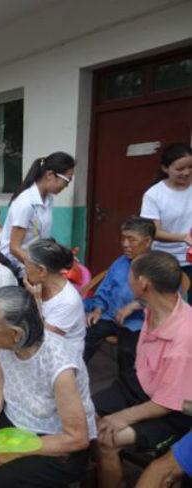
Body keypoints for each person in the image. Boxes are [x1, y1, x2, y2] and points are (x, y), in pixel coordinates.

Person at [0, 286, 96, 487]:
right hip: (15, 425)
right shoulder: (0, 341)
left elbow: (77, 438)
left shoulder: (60, 365)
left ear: (15, 334)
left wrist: (19, 451)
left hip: (56, 439)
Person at [93, 251, 192, 488]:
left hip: (173, 409)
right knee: (86, 416)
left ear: (144, 283)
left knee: (108, 439)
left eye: (131, 275)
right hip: (140, 383)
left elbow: (168, 402)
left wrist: (122, 417)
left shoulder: (183, 338)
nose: (127, 280)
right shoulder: (154, 306)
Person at [83, 217, 154, 372]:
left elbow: (166, 298)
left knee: (127, 352)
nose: (125, 244)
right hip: (111, 316)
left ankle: (132, 394)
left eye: (131, 239)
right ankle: (72, 378)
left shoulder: (157, 266)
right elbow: (105, 289)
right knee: (85, 336)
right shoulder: (120, 262)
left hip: (137, 322)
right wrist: (98, 309)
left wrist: (137, 305)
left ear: (147, 241)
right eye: (123, 238)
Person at [0, 152, 75, 273]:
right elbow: (14, 248)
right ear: (50, 174)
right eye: (67, 180)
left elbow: (40, 236)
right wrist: (39, 269)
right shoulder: (26, 203)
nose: (66, 186)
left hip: (32, 261)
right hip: (15, 267)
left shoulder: (48, 199)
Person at [140, 143, 192, 301]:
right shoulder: (154, 195)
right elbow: (153, 232)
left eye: (190, 167)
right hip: (166, 260)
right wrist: (183, 238)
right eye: (180, 168)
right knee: (168, 304)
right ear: (165, 168)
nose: (187, 172)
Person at [23, 239, 86, 357]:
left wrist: (36, 300)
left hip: (62, 361)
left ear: (41, 270)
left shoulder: (68, 301)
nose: (24, 271)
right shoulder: (38, 287)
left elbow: (43, 340)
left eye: (26, 265)